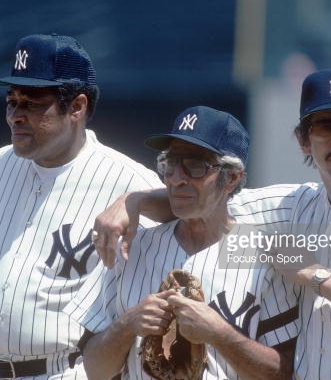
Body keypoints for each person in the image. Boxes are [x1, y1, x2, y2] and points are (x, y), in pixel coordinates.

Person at [91, 70, 331, 379]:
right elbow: (207, 201)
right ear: (304, 141)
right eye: (326, 127)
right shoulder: (293, 206)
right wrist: (132, 202)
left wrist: (315, 275)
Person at [0, 33, 162, 379]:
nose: (15, 115)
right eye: (11, 101)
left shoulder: (126, 179)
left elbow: (202, 211)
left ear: (76, 107)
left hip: (64, 370)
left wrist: (139, 200)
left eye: (31, 103)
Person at [66, 106, 300, 380]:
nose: (177, 178)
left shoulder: (264, 254)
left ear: (232, 177)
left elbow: (284, 374)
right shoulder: (133, 248)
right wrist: (127, 325)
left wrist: (221, 334)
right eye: (170, 164)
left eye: (194, 165)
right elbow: (93, 369)